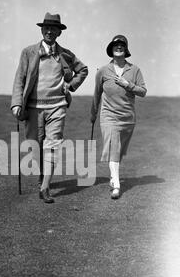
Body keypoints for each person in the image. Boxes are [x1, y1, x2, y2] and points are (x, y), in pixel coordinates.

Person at [11, 12, 88, 203]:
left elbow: (83, 70)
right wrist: (16, 103)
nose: (49, 31)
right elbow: (19, 79)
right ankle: (42, 177)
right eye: (46, 28)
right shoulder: (28, 52)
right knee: (35, 147)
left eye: (54, 29)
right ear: (41, 30)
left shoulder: (65, 54)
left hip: (57, 106)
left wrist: (70, 86)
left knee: (52, 145)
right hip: (33, 107)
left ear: (59, 33)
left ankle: (45, 187)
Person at [91, 35, 147, 199]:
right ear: (111, 49)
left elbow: (143, 92)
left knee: (118, 151)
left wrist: (127, 84)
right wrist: (93, 113)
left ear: (126, 49)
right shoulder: (102, 71)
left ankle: (113, 175)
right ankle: (116, 184)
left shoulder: (134, 70)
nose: (119, 47)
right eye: (116, 45)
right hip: (108, 116)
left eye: (122, 45)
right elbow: (96, 94)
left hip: (128, 117)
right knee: (114, 148)